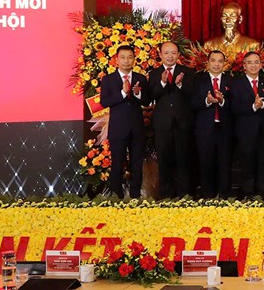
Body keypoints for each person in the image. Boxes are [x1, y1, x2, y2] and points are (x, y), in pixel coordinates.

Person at [145, 41, 194, 198]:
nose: (170, 56)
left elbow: (193, 94)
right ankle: (166, 196)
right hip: (162, 125)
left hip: (183, 124)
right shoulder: (154, 74)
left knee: (183, 160)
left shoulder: (188, 72)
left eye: (173, 53)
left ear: (178, 54)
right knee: (164, 161)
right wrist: (163, 83)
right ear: (160, 54)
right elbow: (149, 97)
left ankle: (185, 196)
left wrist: (179, 85)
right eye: (166, 53)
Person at [99, 45, 149, 198]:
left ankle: (135, 196)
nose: (126, 61)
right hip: (118, 129)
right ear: (116, 60)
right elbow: (104, 102)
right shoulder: (108, 79)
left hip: (137, 128)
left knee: (137, 163)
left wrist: (138, 94)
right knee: (117, 163)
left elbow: (147, 100)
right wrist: (123, 93)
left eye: (130, 57)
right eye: (123, 57)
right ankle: (117, 196)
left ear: (134, 59)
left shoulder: (140, 78)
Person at [189, 50, 232, 198]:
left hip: (225, 129)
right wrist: (207, 101)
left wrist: (222, 101)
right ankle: (207, 196)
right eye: (213, 60)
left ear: (224, 64)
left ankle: (224, 196)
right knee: (205, 162)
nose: (216, 64)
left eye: (220, 61)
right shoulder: (198, 80)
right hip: (204, 129)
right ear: (207, 63)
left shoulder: (230, 81)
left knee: (224, 163)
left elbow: (235, 104)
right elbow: (192, 103)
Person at [229, 50, 264, 198]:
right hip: (245, 131)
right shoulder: (236, 84)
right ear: (244, 66)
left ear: (260, 65)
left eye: (256, 62)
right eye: (249, 63)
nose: (253, 65)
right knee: (247, 162)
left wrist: (263, 105)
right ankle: (247, 193)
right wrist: (253, 107)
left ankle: (262, 193)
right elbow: (234, 107)